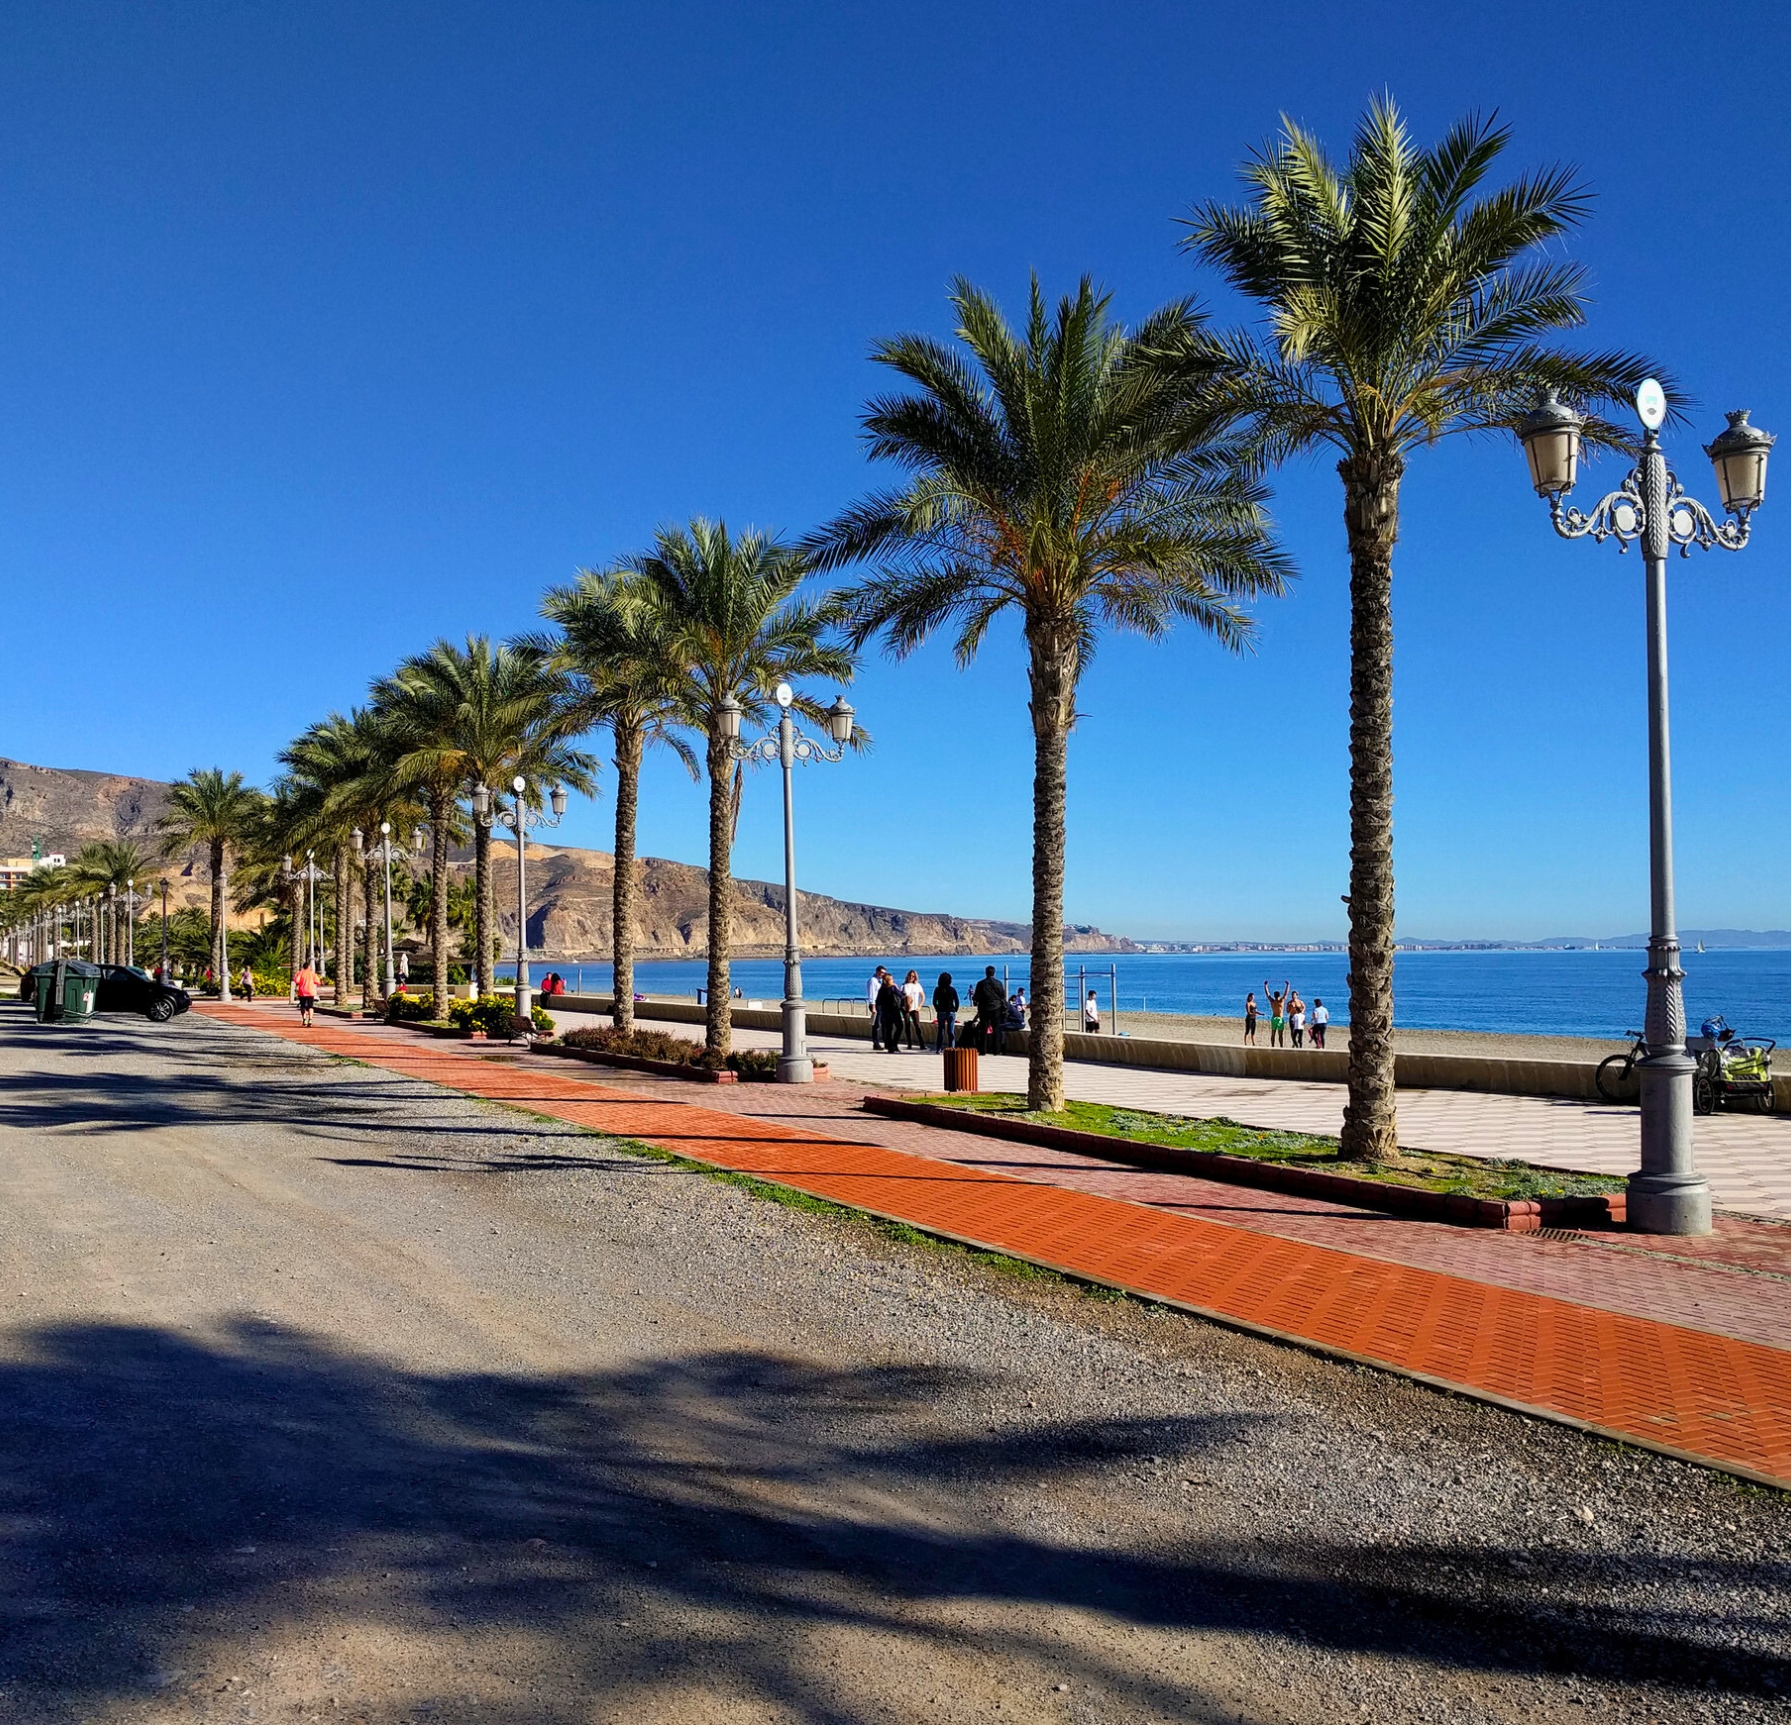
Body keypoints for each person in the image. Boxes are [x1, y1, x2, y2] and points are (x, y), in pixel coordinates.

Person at [971, 966, 1007, 1054]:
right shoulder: (998, 983)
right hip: (996, 1007)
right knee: (996, 1029)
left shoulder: (981, 984)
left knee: (983, 1029)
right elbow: (1003, 995)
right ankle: (996, 1050)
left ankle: (983, 1050)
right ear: (994, 973)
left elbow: (976, 997)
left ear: (986, 973)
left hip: (984, 1008)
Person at [874, 971, 906, 1053]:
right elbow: (901, 995)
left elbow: (878, 1001)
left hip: (885, 1011)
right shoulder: (892, 988)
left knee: (888, 1029)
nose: (893, 980)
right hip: (894, 1010)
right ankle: (894, 1043)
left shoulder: (882, 989)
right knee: (899, 1027)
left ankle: (890, 1046)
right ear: (888, 980)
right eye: (891, 979)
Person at [932, 971, 959, 1052]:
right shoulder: (952, 989)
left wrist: (937, 1008)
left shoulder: (937, 989)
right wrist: (955, 1009)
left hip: (941, 1011)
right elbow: (957, 1001)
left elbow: (934, 1001)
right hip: (951, 1011)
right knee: (951, 1031)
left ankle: (938, 1049)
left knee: (941, 1031)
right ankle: (952, 1048)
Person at [866, 965, 890, 1049]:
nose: (883, 974)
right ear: (877, 972)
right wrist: (873, 1006)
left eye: (884, 973)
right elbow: (872, 994)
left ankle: (886, 1042)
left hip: (881, 1004)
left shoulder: (880, 981)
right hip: (876, 1004)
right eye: (881, 972)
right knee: (877, 1024)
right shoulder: (873, 981)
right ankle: (876, 1043)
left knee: (884, 1023)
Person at [292, 960, 321, 1027]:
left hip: (302, 992)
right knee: (310, 1006)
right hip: (310, 992)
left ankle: (304, 1019)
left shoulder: (300, 973)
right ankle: (310, 1020)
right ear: (308, 967)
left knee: (303, 1006)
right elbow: (318, 982)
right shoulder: (312, 973)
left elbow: (297, 981)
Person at [901, 970, 925, 1049]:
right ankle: (909, 1044)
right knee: (907, 1025)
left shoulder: (917, 985)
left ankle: (921, 1044)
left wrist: (920, 1006)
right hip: (906, 1008)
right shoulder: (904, 985)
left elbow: (922, 996)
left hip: (915, 1008)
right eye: (910, 975)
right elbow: (900, 996)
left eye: (913, 976)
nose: (911, 977)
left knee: (917, 1025)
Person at [1264, 979, 1290, 1048]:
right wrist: (1288, 985)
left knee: (1273, 1033)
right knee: (1280, 1035)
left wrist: (1265, 986)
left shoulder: (1272, 1001)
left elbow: (1267, 994)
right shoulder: (1281, 1001)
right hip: (1280, 1019)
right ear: (1279, 995)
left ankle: (1273, 1046)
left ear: (1274, 995)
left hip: (1274, 1018)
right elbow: (1286, 994)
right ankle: (1281, 1046)